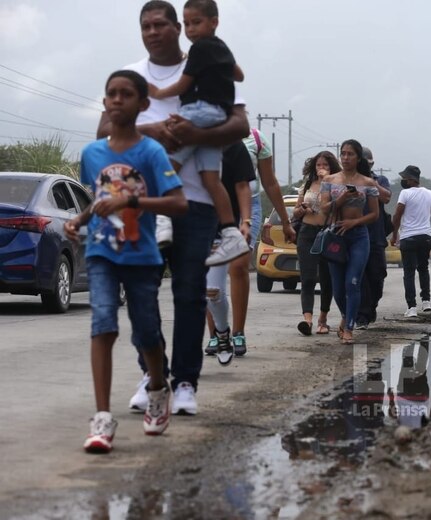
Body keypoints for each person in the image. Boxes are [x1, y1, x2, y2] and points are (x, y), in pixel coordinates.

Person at [99, 0, 250, 417]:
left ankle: (185, 383)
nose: (153, 31)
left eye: (162, 24)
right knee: (141, 296)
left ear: (179, 29)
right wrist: (153, 130)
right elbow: (103, 128)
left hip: (197, 203)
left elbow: (239, 125)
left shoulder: (208, 62)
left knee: (188, 296)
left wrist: (193, 132)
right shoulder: (131, 77)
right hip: (140, 205)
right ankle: (152, 377)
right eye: (146, 25)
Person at [65, 70, 188, 453]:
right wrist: (79, 220)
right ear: (104, 103)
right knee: (103, 323)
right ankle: (102, 418)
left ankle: (157, 387)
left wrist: (131, 201)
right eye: (111, 94)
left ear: (143, 104)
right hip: (102, 252)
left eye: (125, 94)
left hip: (142, 255)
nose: (117, 100)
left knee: (146, 332)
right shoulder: (91, 153)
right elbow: (98, 199)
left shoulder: (150, 153)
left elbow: (178, 203)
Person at [147, 0, 249, 268]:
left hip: (200, 110)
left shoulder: (200, 48)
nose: (190, 29)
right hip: (218, 116)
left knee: (167, 161)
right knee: (211, 179)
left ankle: (162, 218)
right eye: (188, 23)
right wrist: (219, 70)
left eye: (196, 23)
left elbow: (184, 83)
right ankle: (230, 232)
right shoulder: (221, 47)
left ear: (214, 22)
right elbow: (239, 75)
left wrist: (157, 93)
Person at [320, 140, 380, 345]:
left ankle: (349, 328)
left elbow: (374, 214)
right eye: (343, 154)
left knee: (352, 282)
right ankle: (346, 315)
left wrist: (355, 221)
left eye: (350, 154)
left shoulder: (368, 183)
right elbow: (325, 208)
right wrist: (344, 197)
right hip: (336, 237)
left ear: (358, 158)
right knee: (338, 288)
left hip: (359, 237)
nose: (345, 158)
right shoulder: (329, 180)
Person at [202, 141, 254, 366]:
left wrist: (246, 221)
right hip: (192, 226)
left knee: (213, 290)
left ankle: (228, 332)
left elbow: (242, 185)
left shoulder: (233, 146)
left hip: (223, 226)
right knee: (196, 291)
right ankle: (218, 334)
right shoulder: (186, 142)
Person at [292, 151, 340, 336]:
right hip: (307, 233)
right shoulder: (307, 186)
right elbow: (296, 211)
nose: (321, 169)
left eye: (325, 165)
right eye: (319, 165)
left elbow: (339, 206)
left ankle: (323, 319)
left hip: (327, 234)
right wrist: (301, 209)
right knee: (308, 278)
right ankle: (307, 320)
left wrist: (327, 181)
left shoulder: (336, 185)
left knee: (327, 279)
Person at [391, 165, 431, 317]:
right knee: (423, 269)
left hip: (409, 238)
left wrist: (394, 235)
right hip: (425, 237)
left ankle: (411, 307)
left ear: (411, 179)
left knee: (409, 272)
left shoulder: (405, 193)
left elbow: (397, 215)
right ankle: (426, 301)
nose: (403, 181)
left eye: (405, 178)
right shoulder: (430, 194)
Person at [355, 147, 392, 330]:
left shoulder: (380, 180)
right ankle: (362, 315)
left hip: (376, 236)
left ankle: (371, 307)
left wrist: (370, 182)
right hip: (355, 235)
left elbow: (386, 198)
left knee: (377, 275)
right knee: (360, 277)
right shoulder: (350, 180)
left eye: (366, 163)